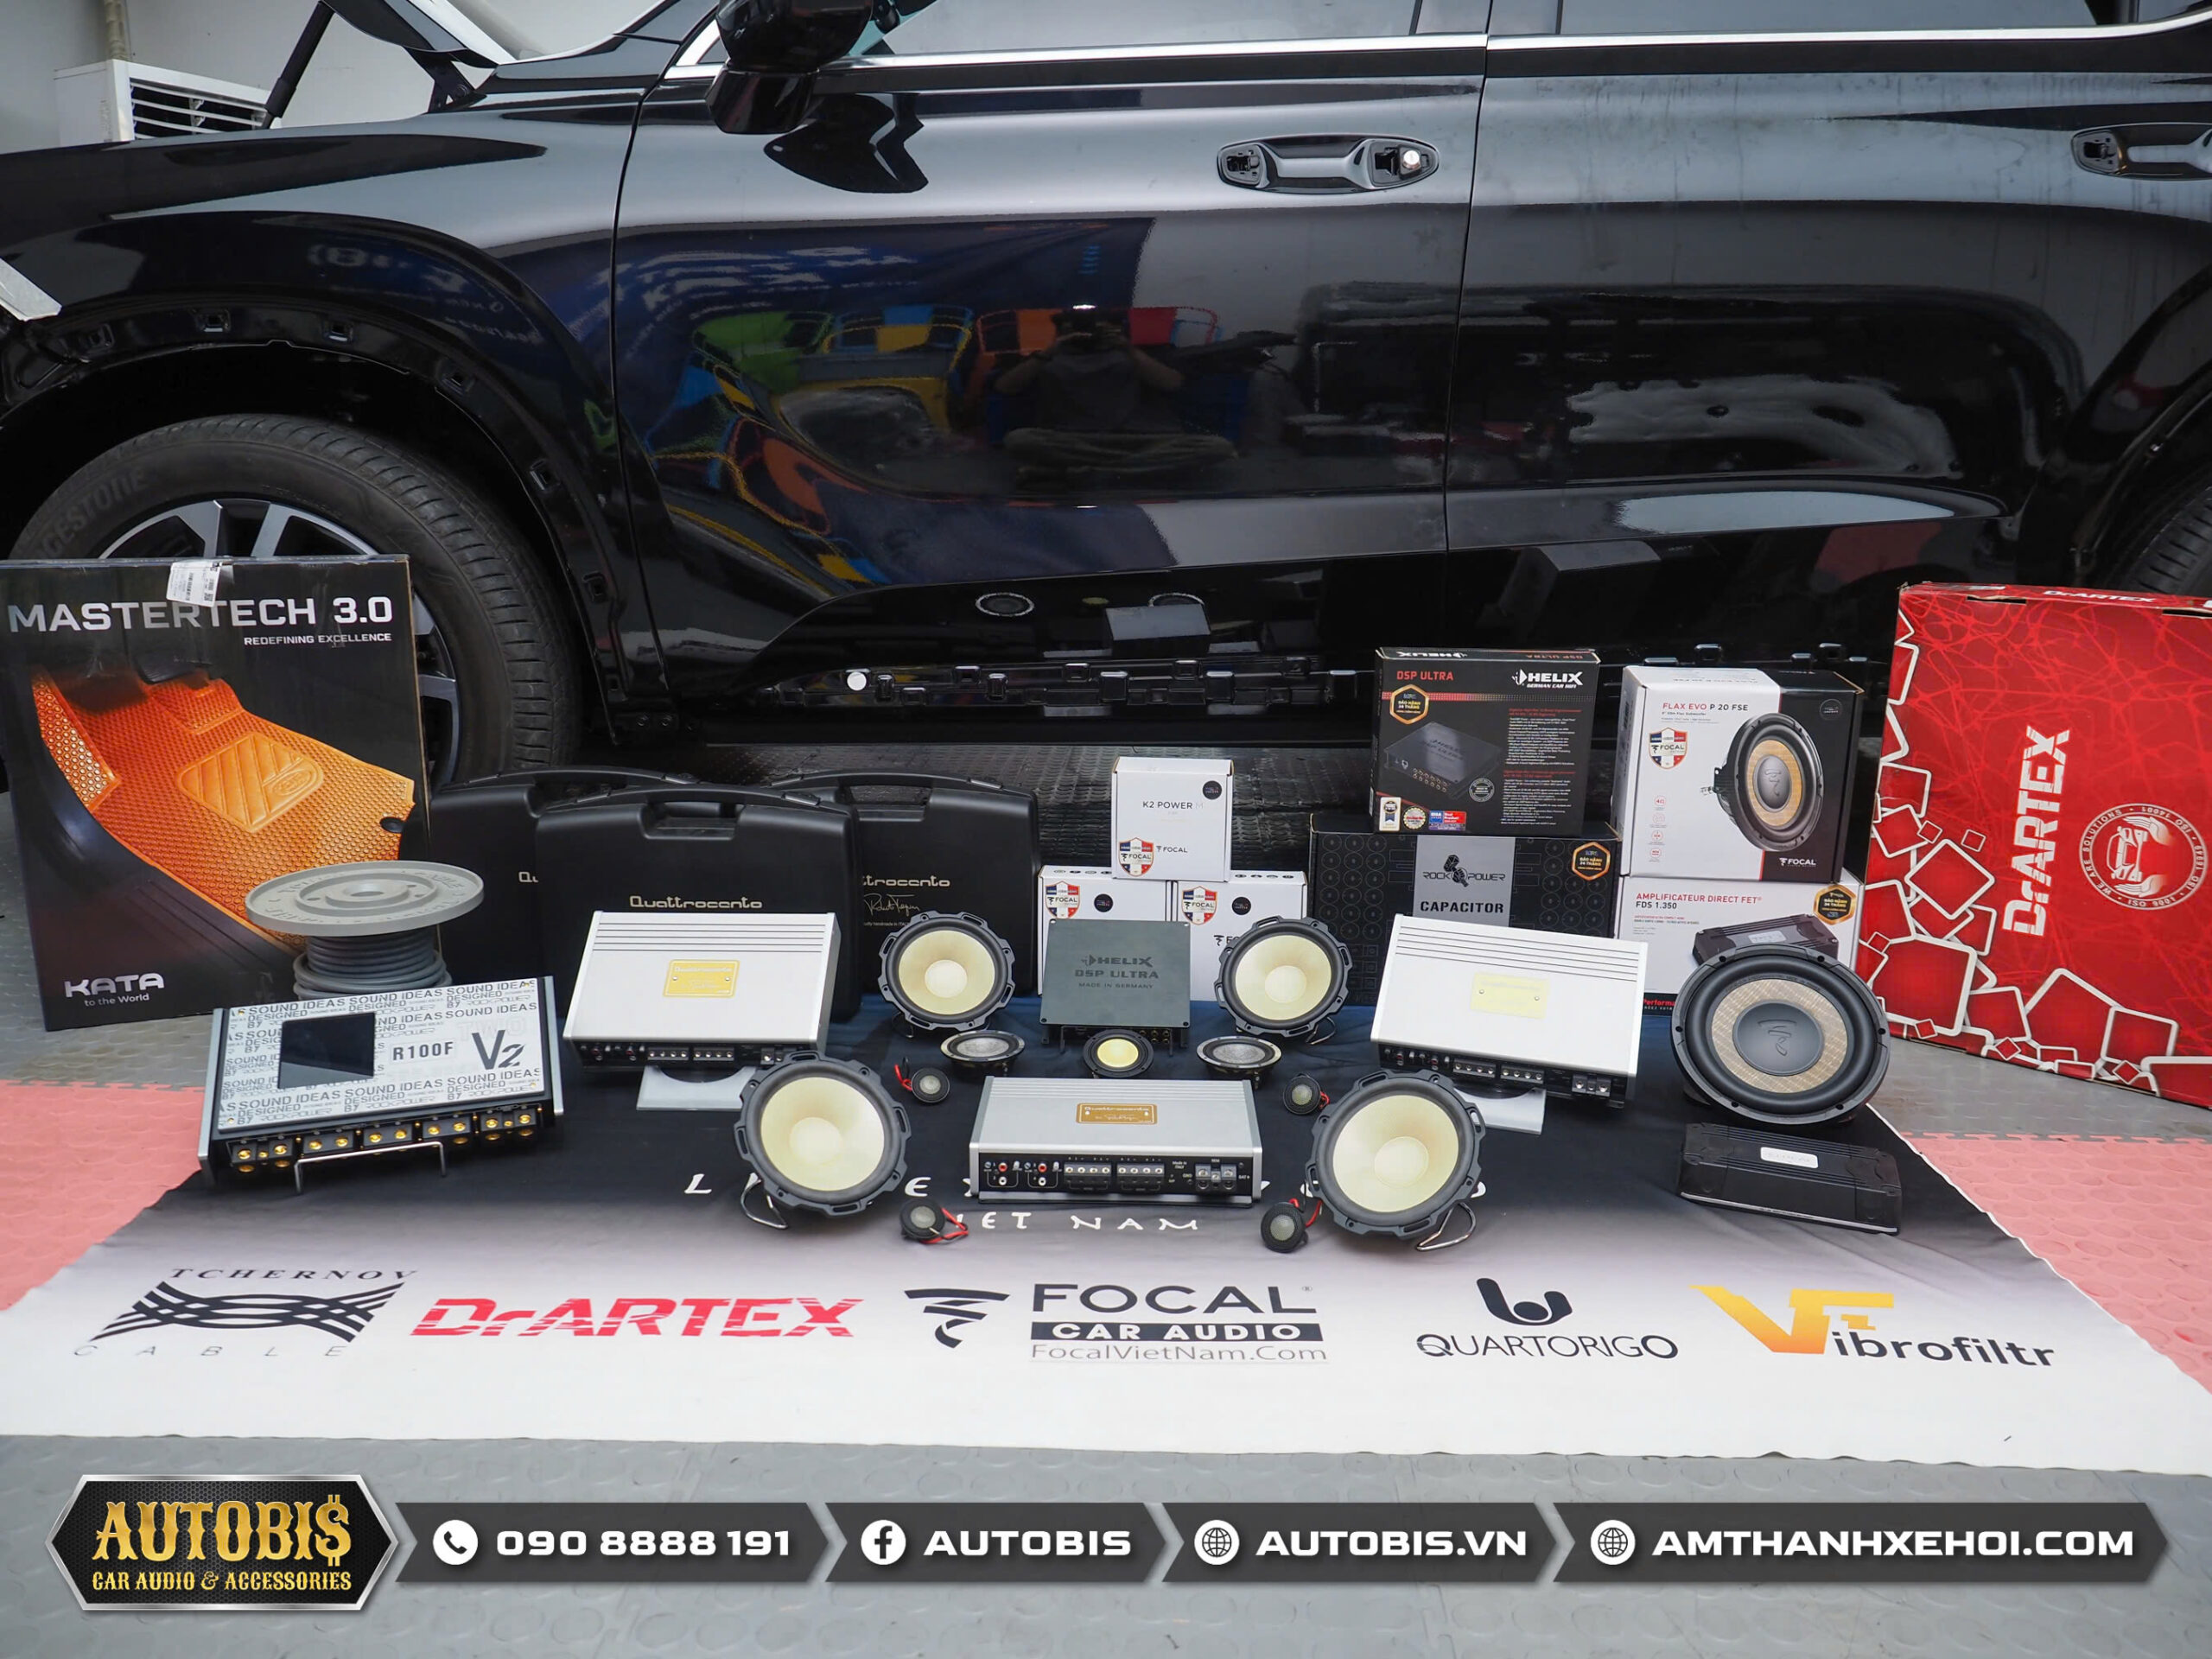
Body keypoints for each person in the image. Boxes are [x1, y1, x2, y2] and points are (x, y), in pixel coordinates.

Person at [993, 308, 1235, 486]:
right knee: (1019, 440)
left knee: (1216, 447)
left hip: (1145, 438)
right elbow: (1005, 387)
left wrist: (1126, 348)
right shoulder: (1046, 358)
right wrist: (1050, 350)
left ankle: (1079, 475)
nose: (1088, 334)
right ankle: (1139, 472)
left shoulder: (1139, 354)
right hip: (1076, 441)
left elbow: (1171, 383)